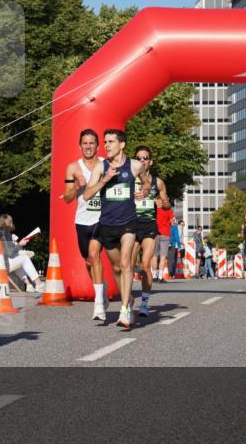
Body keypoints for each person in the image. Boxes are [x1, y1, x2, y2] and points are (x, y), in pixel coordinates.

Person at [82, 128, 151, 329]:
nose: (107, 145)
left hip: (128, 223)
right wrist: (104, 179)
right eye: (105, 142)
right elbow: (86, 195)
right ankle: (127, 298)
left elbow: (147, 182)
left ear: (121, 145)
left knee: (126, 263)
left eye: (111, 141)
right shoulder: (100, 167)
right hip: (107, 224)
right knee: (117, 267)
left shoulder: (135, 165)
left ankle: (124, 311)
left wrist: (144, 192)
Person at [61, 129, 105, 320]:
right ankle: (100, 290)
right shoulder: (73, 168)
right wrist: (77, 186)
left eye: (92, 143)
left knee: (95, 255)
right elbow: (68, 198)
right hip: (82, 220)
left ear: (97, 145)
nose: (88, 147)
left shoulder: (106, 164)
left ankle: (98, 303)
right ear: (80, 146)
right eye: (85, 143)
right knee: (88, 261)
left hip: (102, 219)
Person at [132, 146, 168, 317]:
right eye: (139, 158)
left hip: (148, 225)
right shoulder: (129, 179)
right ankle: (128, 299)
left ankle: (144, 302)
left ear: (150, 162)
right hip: (130, 224)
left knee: (145, 263)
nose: (142, 161)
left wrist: (162, 202)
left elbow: (167, 204)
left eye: (145, 158)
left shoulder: (158, 182)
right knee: (128, 265)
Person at [0, 214, 44, 292]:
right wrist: (20, 244)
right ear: (9, 223)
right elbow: (10, 253)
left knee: (19, 259)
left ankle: (28, 285)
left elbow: (5, 251)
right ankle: (39, 284)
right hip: (3, 265)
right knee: (25, 258)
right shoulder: (5, 233)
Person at [155, 198, 174, 281]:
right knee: (163, 257)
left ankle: (153, 276)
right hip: (165, 234)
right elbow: (173, 223)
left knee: (154, 256)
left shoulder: (155, 209)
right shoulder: (169, 209)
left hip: (155, 233)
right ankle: (160, 277)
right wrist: (168, 223)